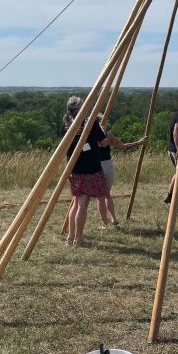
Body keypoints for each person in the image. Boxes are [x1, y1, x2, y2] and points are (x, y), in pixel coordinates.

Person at [63, 96, 107, 246]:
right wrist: (102, 131)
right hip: (88, 168)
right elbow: (103, 143)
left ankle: (71, 236)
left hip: (73, 167)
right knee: (82, 204)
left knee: (75, 203)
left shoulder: (66, 123)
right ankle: (79, 238)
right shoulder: (90, 123)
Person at [96, 115, 147, 226]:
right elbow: (123, 147)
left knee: (100, 196)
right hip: (108, 165)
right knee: (106, 194)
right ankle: (113, 218)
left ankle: (105, 223)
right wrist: (138, 143)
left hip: (97, 166)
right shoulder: (108, 136)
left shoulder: (92, 136)